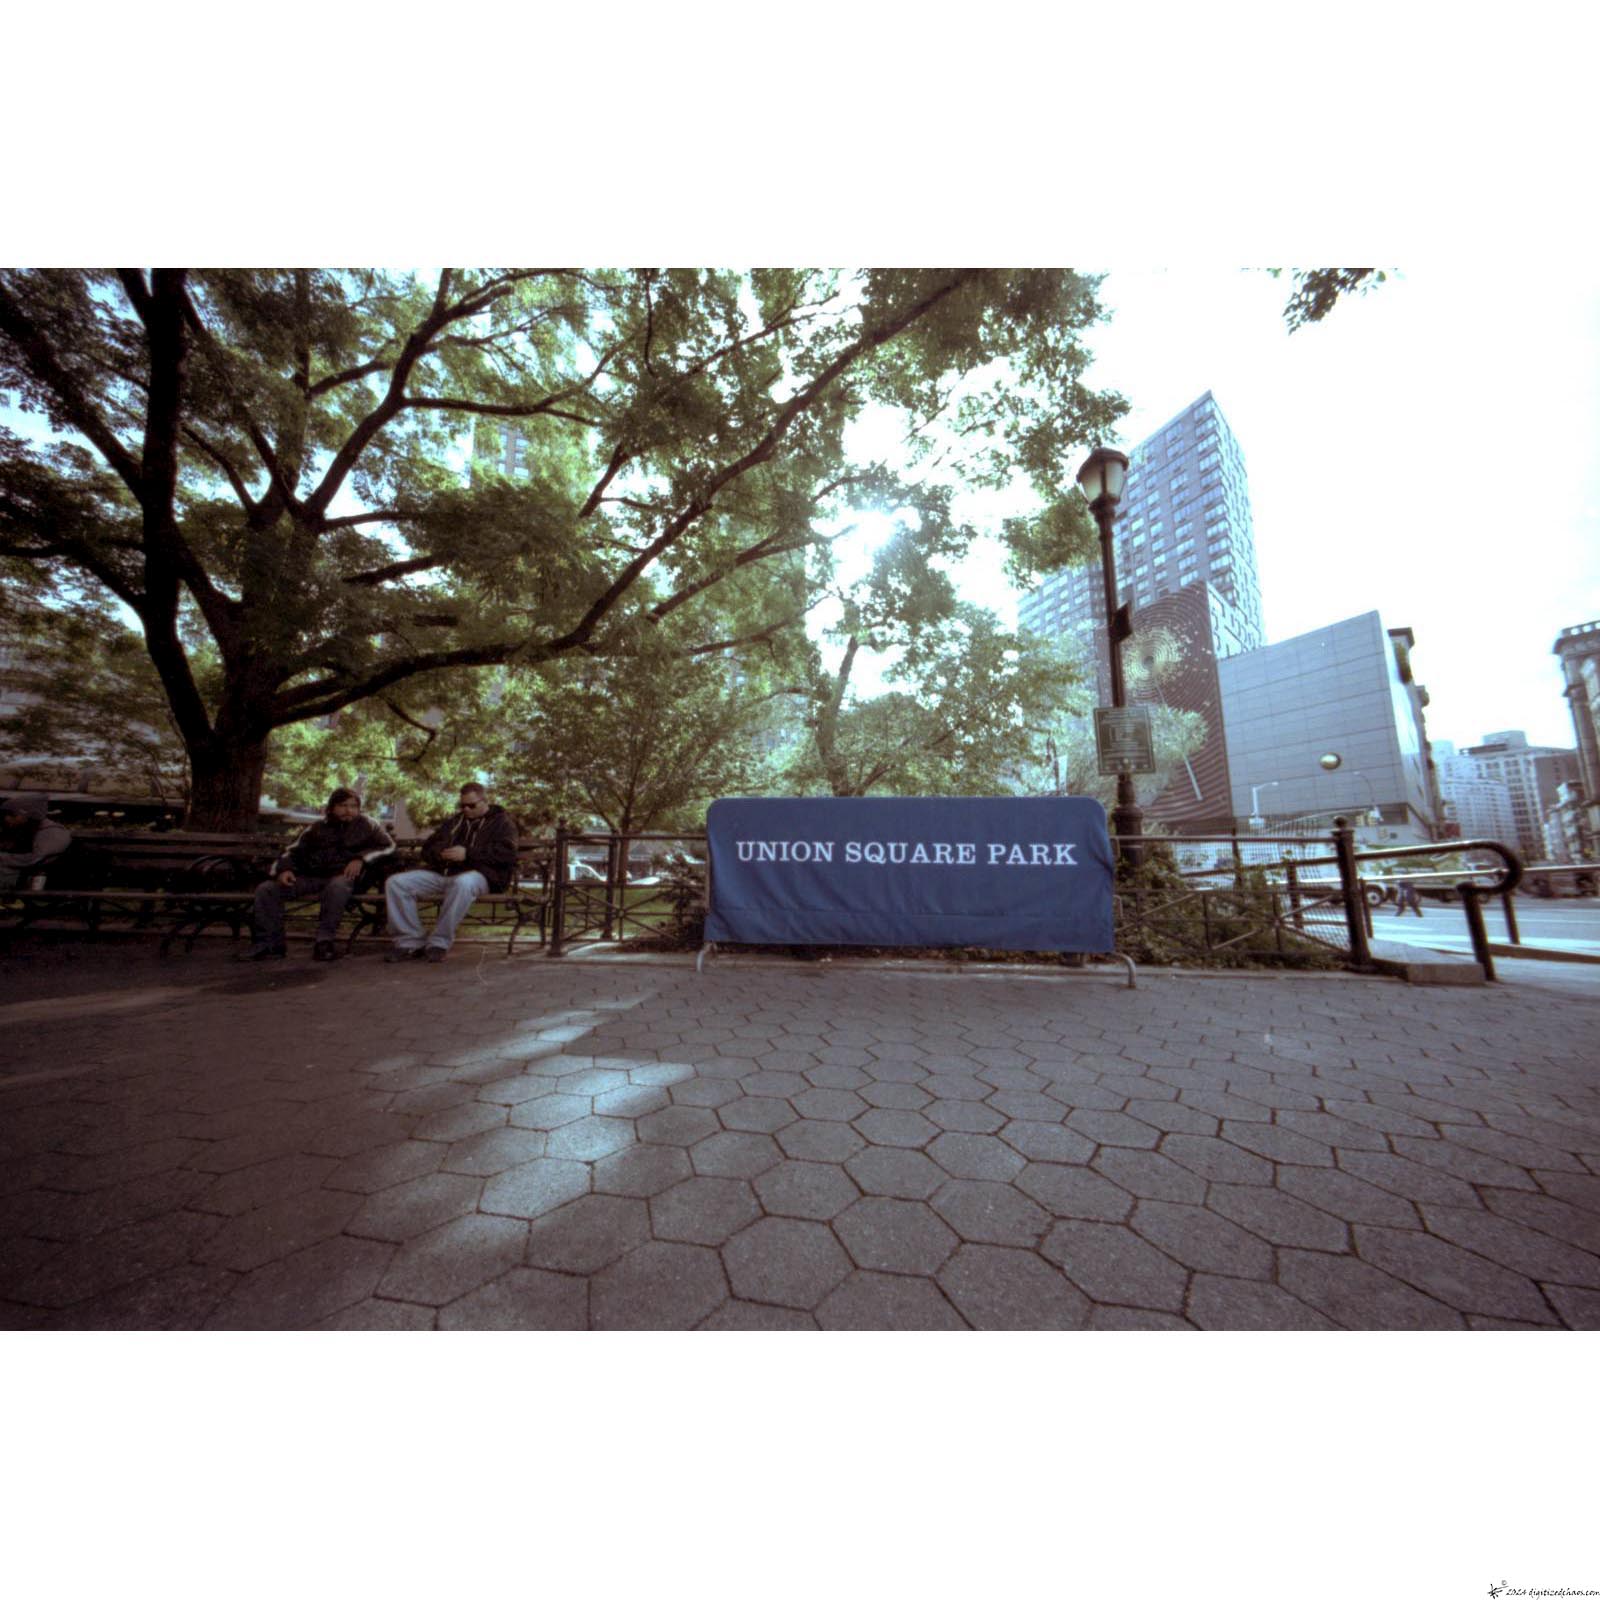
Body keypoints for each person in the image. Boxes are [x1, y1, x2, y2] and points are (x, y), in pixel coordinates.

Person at [242, 787, 395, 961]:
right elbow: (291, 851)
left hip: (344, 878)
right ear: (332, 807)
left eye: (353, 806)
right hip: (311, 877)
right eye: (343, 805)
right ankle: (269, 945)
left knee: (337, 886)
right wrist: (285, 869)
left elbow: (389, 847)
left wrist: (361, 858)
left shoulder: (368, 825)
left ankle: (324, 943)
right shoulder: (317, 827)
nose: (349, 810)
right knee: (267, 889)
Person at [384, 782, 518, 964]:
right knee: (396, 883)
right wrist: (440, 853)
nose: (466, 809)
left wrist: (467, 854)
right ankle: (410, 941)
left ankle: (439, 943)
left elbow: (507, 854)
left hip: (481, 875)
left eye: (471, 805)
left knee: (462, 883)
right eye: (462, 805)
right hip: (444, 873)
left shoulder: (502, 823)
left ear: (485, 801)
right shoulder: (455, 822)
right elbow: (428, 848)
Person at [0, 794, 72, 892]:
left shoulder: (52, 833)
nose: (6, 818)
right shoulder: (28, 829)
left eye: (12, 815)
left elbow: (33, 859)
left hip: (55, 881)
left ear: (24, 815)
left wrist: (3, 857)